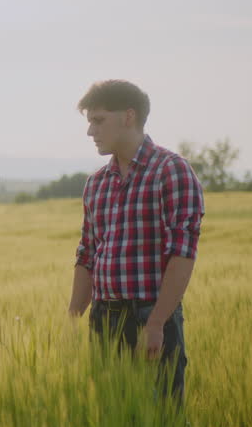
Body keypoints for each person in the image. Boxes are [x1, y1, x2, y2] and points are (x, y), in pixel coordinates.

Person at [66, 80, 205, 402]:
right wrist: (73, 317)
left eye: (98, 120)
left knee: (164, 421)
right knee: (113, 424)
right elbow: (87, 253)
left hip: (150, 316)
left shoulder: (172, 171)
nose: (90, 131)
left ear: (129, 116)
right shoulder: (96, 183)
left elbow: (183, 254)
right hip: (104, 318)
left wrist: (156, 323)